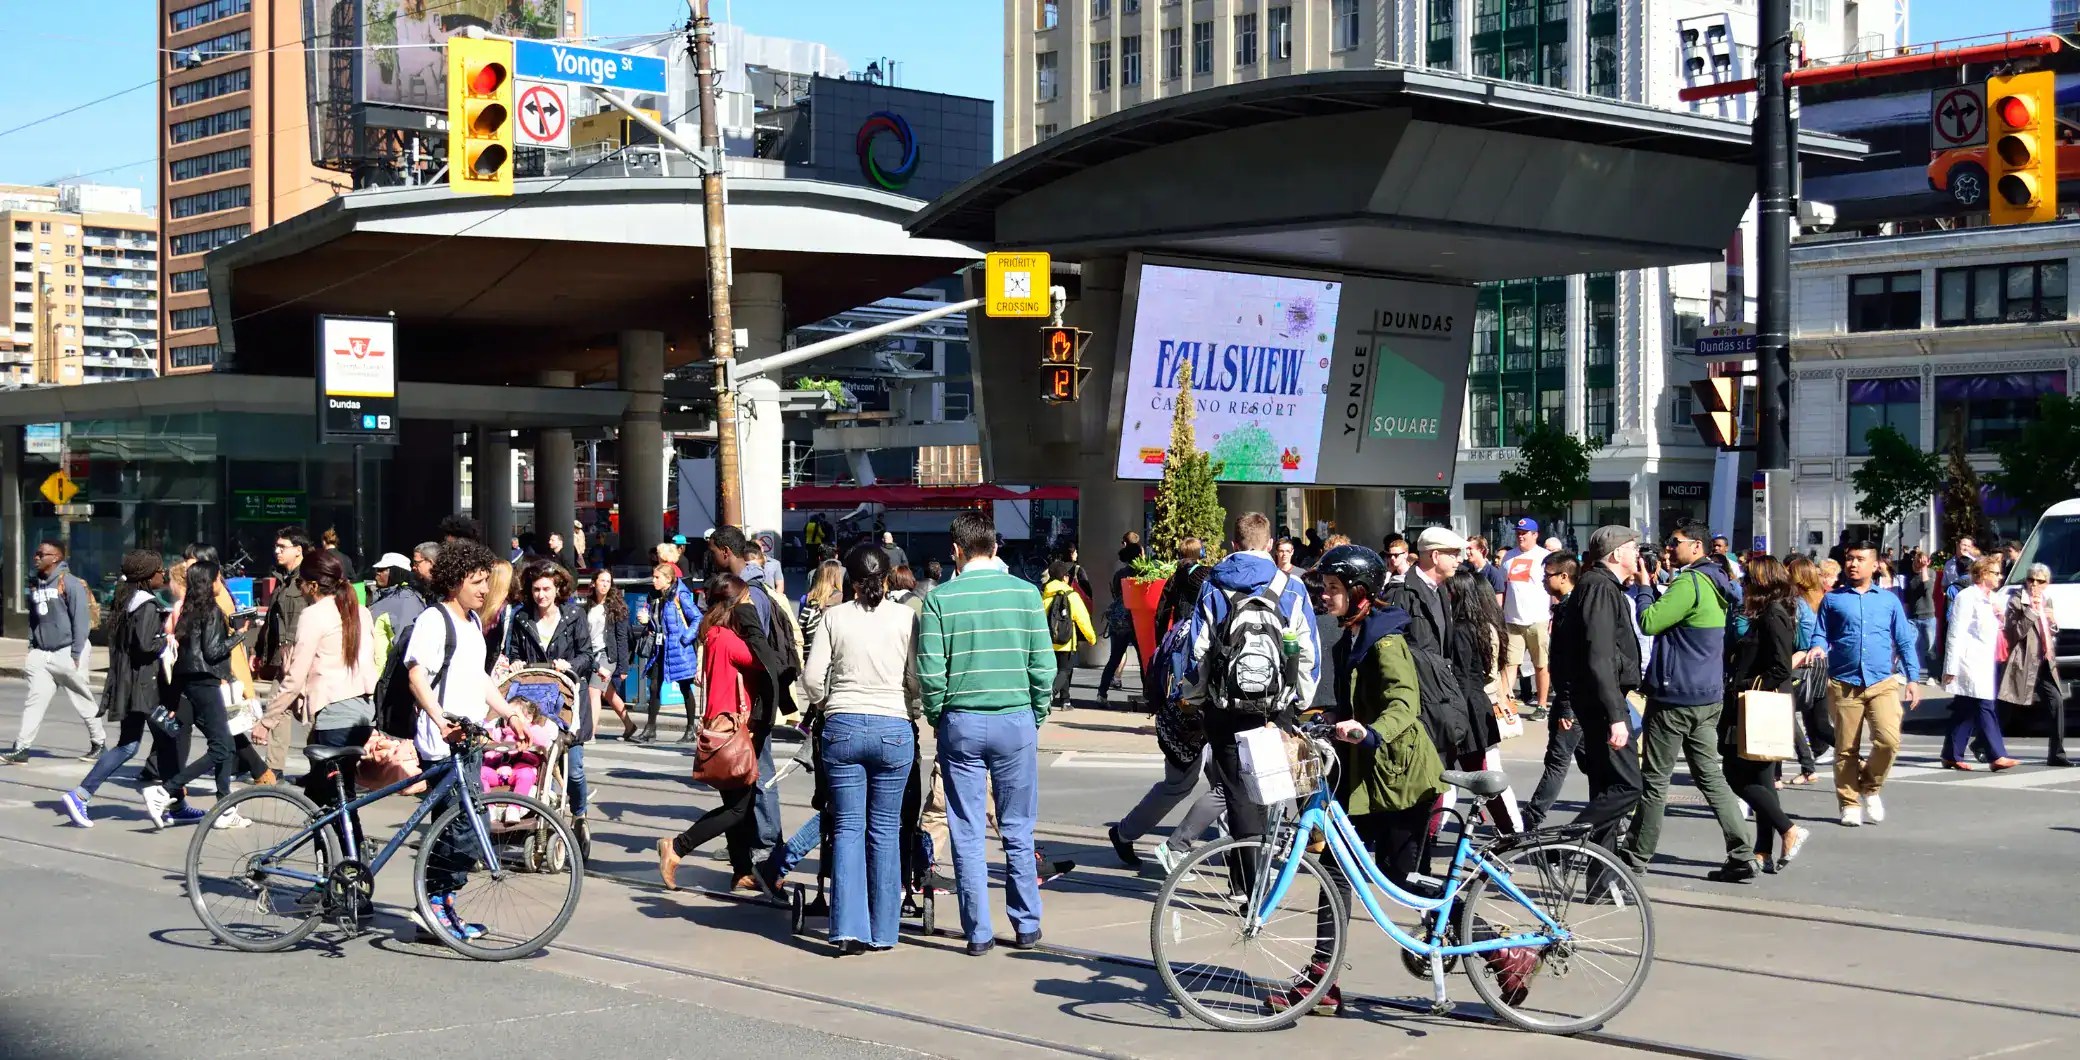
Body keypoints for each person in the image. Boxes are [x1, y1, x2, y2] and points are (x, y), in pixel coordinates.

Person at [1274, 543, 1446, 1016]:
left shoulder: (1385, 642)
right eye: (1325, 588)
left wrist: (1371, 732)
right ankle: (1322, 981)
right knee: (1334, 871)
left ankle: (1500, 951)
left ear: (1360, 592)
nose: (1325, 596)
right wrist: (1327, 717)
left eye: (1334, 588)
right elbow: (1353, 700)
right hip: (1361, 777)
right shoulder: (1350, 635)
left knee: (1402, 880)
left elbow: (1404, 704)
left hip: (1399, 778)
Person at [917, 511, 1054, 955]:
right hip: (1015, 719)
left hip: (961, 722)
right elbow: (1043, 666)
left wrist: (939, 716)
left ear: (956, 551)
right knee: (1017, 826)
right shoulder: (1026, 594)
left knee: (967, 828)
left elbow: (931, 673)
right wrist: (1036, 713)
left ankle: (977, 932)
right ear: (995, 548)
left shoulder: (940, 600)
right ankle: (1027, 924)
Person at [1180, 512, 1322, 884]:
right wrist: (1300, 699)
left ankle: (1245, 884)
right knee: (1270, 791)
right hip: (1275, 708)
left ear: (1234, 544)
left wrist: (1195, 697)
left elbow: (1197, 651)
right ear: (1270, 544)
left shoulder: (1213, 585)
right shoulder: (1291, 586)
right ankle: (1260, 879)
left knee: (1237, 794)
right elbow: (1308, 651)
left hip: (1225, 707)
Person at [405, 538, 534, 942]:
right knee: (460, 826)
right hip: (443, 741)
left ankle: (439, 908)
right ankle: (433, 906)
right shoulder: (434, 620)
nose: (484, 589)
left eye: (485, 581)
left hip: (469, 738)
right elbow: (416, 677)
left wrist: (510, 713)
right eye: (476, 582)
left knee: (463, 824)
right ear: (455, 580)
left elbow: (478, 678)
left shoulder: (473, 623)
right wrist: (440, 719)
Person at [800, 545, 919, 953]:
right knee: (886, 829)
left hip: (843, 725)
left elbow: (812, 678)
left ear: (850, 581)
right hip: (893, 726)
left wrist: (825, 704)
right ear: (886, 578)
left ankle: (849, 929)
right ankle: (884, 930)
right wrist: (910, 705)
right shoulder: (905, 618)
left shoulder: (834, 618)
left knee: (848, 827)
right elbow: (915, 677)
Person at [1625, 520, 1754, 878]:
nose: (1668, 548)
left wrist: (1645, 587)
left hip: (1675, 695)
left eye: (1674, 542)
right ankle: (1742, 853)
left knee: (1655, 780)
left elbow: (1650, 622)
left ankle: (1635, 856)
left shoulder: (1690, 582)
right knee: (1710, 775)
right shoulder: (1718, 580)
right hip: (1707, 693)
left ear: (1696, 546)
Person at [657, 574, 781, 894]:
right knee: (738, 808)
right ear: (733, 605)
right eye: (746, 601)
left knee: (737, 805)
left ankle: (741, 870)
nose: (750, 606)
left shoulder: (713, 634)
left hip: (719, 726)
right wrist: (749, 614)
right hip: (732, 729)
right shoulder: (727, 639)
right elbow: (765, 659)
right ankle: (678, 847)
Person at [257, 550, 375, 842]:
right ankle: (351, 858)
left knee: (331, 801)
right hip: (363, 714)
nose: (299, 589)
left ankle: (344, 860)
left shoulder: (313, 615)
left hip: (335, 718)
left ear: (312, 585)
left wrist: (267, 721)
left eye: (300, 583)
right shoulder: (361, 610)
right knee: (337, 796)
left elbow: (294, 678)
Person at [1544, 528, 1646, 854]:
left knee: (1606, 787)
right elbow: (1599, 656)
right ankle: (1563, 844)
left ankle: (1601, 870)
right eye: (1633, 548)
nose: (1637, 554)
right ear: (1616, 554)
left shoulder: (1601, 586)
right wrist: (1616, 716)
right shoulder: (1599, 588)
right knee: (1629, 786)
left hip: (1600, 699)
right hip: (1602, 703)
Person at [58, 554, 175, 828]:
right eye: (160, 570)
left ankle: (81, 794)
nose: (164, 574)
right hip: (146, 687)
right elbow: (145, 645)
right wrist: (168, 639)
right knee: (169, 737)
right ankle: (172, 801)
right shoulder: (147, 605)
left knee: (132, 744)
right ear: (148, 576)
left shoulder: (127, 600)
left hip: (132, 683)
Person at [1720, 555, 1814, 878]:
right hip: (1758, 701)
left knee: (1734, 773)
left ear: (1762, 583)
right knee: (1761, 780)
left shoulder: (1774, 614)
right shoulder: (1769, 612)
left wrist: (1745, 686)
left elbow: (1780, 666)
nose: (1744, 585)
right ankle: (1763, 851)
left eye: (1749, 580)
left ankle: (1788, 829)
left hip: (1758, 704)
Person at [1819, 539, 1923, 827]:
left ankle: (1870, 786)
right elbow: (1821, 634)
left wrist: (1913, 678)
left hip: (1882, 681)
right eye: (1850, 558)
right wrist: (1816, 647)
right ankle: (1849, 803)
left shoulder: (1888, 600)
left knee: (1889, 741)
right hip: (1844, 682)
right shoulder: (1833, 599)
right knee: (1846, 748)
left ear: (1875, 565)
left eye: (1860, 559)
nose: (1853, 564)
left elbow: (1904, 640)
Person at [142, 561, 242, 829]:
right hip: (205, 682)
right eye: (218, 578)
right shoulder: (212, 610)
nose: (221, 582)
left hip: (190, 683)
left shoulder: (187, 609)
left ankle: (225, 808)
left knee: (226, 745)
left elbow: (185, 654)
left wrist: (174, 696)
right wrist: (239, 634)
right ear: (210, 581)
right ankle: (164, 791)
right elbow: (213, 651)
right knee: (221, 747)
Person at [505, 559, 598, 817]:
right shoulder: (522, 617)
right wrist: (515, 663)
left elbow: (587, 656)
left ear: (558, 588)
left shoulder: (574, 616)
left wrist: (570, 665)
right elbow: (514, 652)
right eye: (536, 589)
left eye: (546, 589)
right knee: (537, 765)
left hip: (568, 701)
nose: (541, 595)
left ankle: (579, 814)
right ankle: (544, 816)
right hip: (534, 703)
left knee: (574, 770)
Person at [4, 540, 106, 764]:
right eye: (36, 553)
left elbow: (81, 621)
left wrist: (76, 653)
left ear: (56, 558)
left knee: (82, 699)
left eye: (41, 554)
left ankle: (99, 743)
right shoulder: (36, 584)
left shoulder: (70, 583)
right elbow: (34, 619)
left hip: (68, 651)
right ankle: (21, 748)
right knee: (34, 701)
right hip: (42, 654)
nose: (36, 557)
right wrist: (32, 647)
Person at [1442, 568, 1524, 832]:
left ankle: (1512, 834)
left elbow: (1463, 676)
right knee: (1476, 777)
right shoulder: (1476, 625)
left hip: (1468, 711)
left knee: (1481, 778)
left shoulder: (1461, 629)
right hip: (1474, 707)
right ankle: (1511, 832)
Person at [1523, 555, 1582, 830]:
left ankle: (1531, 817)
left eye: (1548, 575)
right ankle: (1611, 814)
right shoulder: (1562, 608)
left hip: (1572, 700)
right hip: (1568, 698)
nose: (1544, 580)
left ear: (1564, 577)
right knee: (1590, 761)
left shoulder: (1573, 609)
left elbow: (1571, 661)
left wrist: (1567, 707)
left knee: (1558, 760)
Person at [1942, 558, 2016, 772]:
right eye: (1995, 573)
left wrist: (2000, 616)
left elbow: (1994, 630)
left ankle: (1951, 755)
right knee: (1985, 706)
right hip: (1968, 661)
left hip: (1985, 661)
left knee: (1965, 709)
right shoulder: (1966, 597)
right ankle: (1997, 755)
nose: (1999, 577)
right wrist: (1950, 667)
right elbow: (1955, 632)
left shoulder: (1993, 598)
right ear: (1982, 574)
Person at [253, 526, 313, 774]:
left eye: (282, 547)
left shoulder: (307, 580)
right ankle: (274, 768)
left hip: (302, 657)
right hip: (284, 657)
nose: (277, 551)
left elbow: (303, 620)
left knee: (309, 711)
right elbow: (273, 621)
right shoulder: (283, 579)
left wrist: (295, 653)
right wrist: (259, 651)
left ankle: (322, 767)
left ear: (298, 550)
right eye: (276, 546)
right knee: (281, 707)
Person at [2001, 563, 2071, 768]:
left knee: (2056, 702)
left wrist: (2052, 622)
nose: (2034, 584)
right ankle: (1981, 743)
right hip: (2024, 661)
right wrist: (2031, 611)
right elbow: (2014, 633)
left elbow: (2049, 631)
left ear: (2047, 583)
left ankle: (2056, 754)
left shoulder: (2047, 600)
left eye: (2040, 581)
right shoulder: (2017, 600)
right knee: (2008, 705)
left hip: (2045, 660)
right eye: (2031, 579)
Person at [632, 563, 701, 743]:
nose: (653, 580)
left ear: (668, 579)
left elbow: (697, 618)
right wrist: (647, 620)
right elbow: (659, 622)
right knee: (654, 686)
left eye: (657, 577)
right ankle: (650, 728)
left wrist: (685, 638)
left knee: (685, 687)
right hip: (660, 647)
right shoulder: (656, 596)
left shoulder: (680, 595)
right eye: (653, 577)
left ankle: (690, 729)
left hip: (679, 649)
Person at [1500, 518, 1554, 720]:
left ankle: (1541, 705)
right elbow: (1503, 587)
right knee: (1509, 664)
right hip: (1512, 620)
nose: (1520, 536)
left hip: (1538, 619)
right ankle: (1506, 703)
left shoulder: (1544, 557)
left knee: (1541, 664)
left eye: (1524, 533)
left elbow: (1553, 588)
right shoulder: (1508, 557)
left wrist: (1554, 614)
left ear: (1535, 535)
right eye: (1518, 533)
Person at [482, 696, 557, 820]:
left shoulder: (534, 730)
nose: (509, 720)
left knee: (526, 775)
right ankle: (488, 807)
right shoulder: (500, 732)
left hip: (520, 771)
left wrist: (522, 731)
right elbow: (487, 737)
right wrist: (488, 741)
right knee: (481, 773)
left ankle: (514, 808)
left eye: (514, 716)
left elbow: (544, 740)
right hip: (498, 772)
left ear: (528, 718)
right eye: (507, 716)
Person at [587, 569, 638, 741]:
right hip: (591, 654)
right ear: (594, 582)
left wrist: (623, 667)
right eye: (602, 580)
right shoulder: (588, 606)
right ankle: (629, 726)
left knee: (593, 690)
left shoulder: (616, 608)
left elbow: (622, 638)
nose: (605, 584)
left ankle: (590, 734)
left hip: (607, 654)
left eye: (608, 581)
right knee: (608, 693)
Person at [1042, 559, 1097, 713]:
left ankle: (1065, 700)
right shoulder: (1072, 595)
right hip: (1067, 641)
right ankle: (1050, 695)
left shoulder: (1045, 595)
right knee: (1065, 670)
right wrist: (1091, 638)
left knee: (1058, 671)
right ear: (1064, 577)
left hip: (1049, 641)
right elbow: (1083, 619)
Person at [1096, 544, 1143, 705]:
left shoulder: (1119, 574)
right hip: (1137, 620)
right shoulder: (1143, 574)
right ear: (1139, 556)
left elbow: (1116, 595)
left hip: (1119, 622)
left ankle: (1102, 693)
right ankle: (1148, 693)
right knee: (1143, 659)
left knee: (1114, 658)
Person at [1151, 537, 1211, 639]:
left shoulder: (1174, 577)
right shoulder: (1206, 573)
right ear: (1199, 553)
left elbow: (1163, 610)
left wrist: (1161, 639)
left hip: (1181, 628)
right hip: (1202, 628)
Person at [369, 551, 427, 656]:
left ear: (396, 572)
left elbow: (404, 644)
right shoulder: (383, 596)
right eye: (377, 570)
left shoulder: (406, 599)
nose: (377, 573)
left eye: (382, 569)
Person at [1900, 549, 1939, 680]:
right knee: (1908, 644)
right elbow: (1906, 597)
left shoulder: (1931, 573)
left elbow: (1927, 588)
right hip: (1913, 617)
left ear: (1928, 562)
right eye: (1917, 561)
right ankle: (1902, 673)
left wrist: (1924, 568)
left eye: (1922, 561)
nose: (1919, 563)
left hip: (1928, 616)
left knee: (1930, 648)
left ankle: (1932, 676)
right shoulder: (1909, 576)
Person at [798, 559, 845, 660]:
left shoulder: (807, 598)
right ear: (836, 577)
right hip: (828, 652)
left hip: (809, 651)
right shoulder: (839, 598)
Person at [1467, 535, 1507, 603]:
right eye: (1467, 549)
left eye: (1470, 549)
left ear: (1481, 550)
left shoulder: (1493, 574)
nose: (1467, 552)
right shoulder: (1468, 571)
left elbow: (1498, 604)